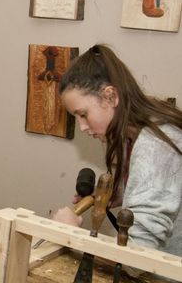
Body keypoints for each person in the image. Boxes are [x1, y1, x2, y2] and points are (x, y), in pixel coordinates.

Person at [52, 44, 182, 258]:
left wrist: (71, 234)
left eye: (83, 114)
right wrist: (123, 193)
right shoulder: (141, 130)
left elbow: (138, 256)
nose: (82, 127)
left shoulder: (155, 144)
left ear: (111, 96)